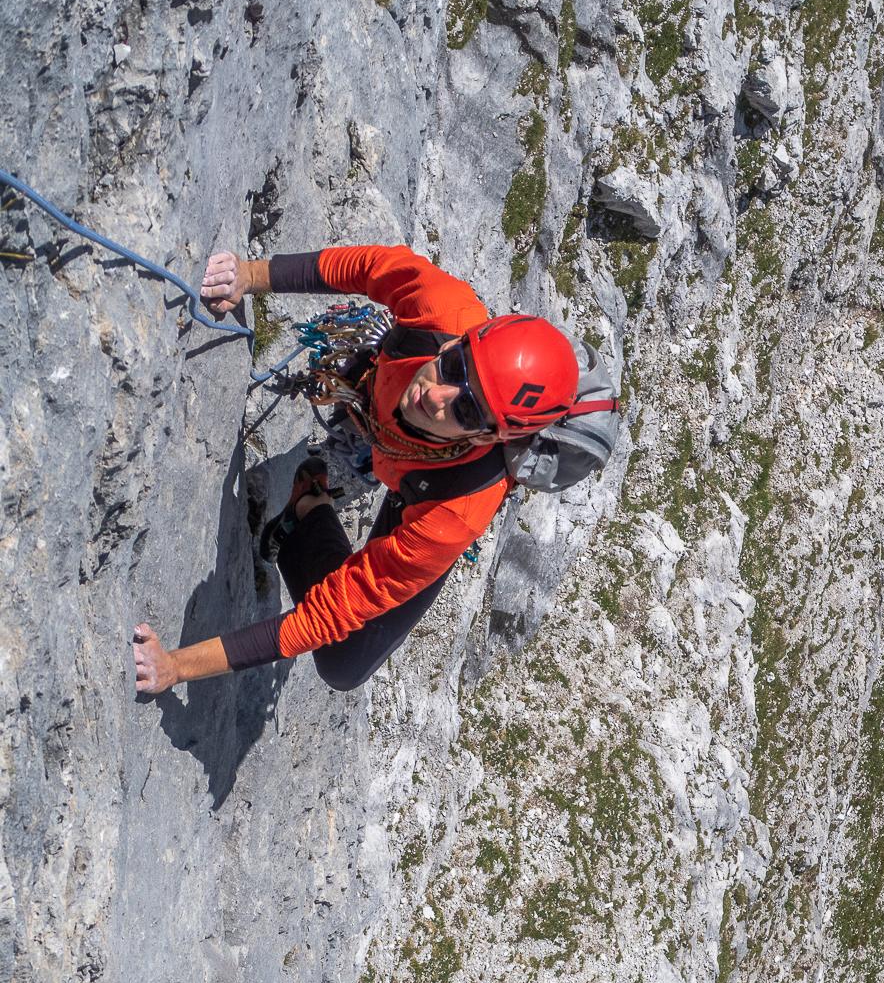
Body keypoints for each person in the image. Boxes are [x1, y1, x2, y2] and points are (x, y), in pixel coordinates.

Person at [132, 243, 581, 695]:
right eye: (452, 365)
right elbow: (369, 267)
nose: (438, 393)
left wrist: (176, 667)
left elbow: (330, 614)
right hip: (382, 413)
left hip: (425, 489)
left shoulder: (453, 514)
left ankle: (308, 510)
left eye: (465, 409)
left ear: (487, 438)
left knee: (344, 663)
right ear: (460, 341)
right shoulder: (444, 311)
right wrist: (249, 275)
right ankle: (322, 494)